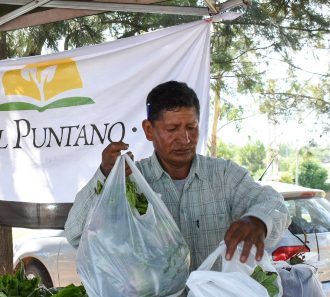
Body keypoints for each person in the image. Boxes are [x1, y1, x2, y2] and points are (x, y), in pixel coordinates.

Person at [64, 81, 289, 270]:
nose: (185, 139)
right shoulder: (130, 180)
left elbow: (273, 203)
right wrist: (105, 176)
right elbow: (75, 234)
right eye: (172, 130)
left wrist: (258, 220)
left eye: (191, 128)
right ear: (149, 130)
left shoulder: (224, 175)